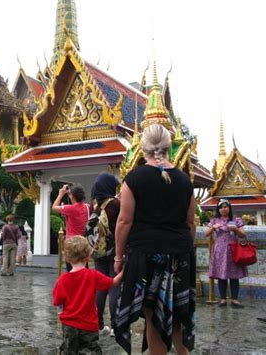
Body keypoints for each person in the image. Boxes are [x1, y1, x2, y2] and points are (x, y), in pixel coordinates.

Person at [113, 124, 196, 355]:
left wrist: (118, 257)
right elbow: (191, 223)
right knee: (178, 315)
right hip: (180, 254)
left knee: (153, 316)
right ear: (169, 147)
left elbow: (124, 222)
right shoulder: (184, 181)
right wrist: (185, 252)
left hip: (146, 254)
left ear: (143, 147)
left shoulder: (134, 179)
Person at [53, 236, 122, 354]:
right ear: (88, 256)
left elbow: (57, 301)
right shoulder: (93, 275)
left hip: (69, 325)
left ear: (67, 259)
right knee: (90, 351)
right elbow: (113, 282)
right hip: (89, 325)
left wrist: (61, 312)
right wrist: (125, 270)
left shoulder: (62, 280)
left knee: (68, 351)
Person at [90, 172, 121, 336]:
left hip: (98, 251)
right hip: (115, 250)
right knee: (114, 285)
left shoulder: (95, 205)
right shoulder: (115, 204)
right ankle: (116, 326)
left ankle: (98, 324)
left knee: (100, 287)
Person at [205, 199, 247, 307]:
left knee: (234, 275)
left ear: (229, 208)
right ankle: (223, 299)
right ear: (218, 209)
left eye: (225, 207)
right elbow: (206, 233)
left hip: (233, 250)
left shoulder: (236, 219)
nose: (223, 209)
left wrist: (235, 229)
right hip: (219, 250)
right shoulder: (214, 220)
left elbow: (243, 234)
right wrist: (213, 228)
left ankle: (234, 299)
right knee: (221, 275)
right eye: (221, 207)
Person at [52, 184, 89, 272]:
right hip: (83, 242)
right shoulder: (87, 207)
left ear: (72, 196)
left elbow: (54, 207)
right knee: (84, 269)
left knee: (71, 270)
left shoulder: (71, 209)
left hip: (72, 244)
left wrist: (61, 194)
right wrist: (70, 194)